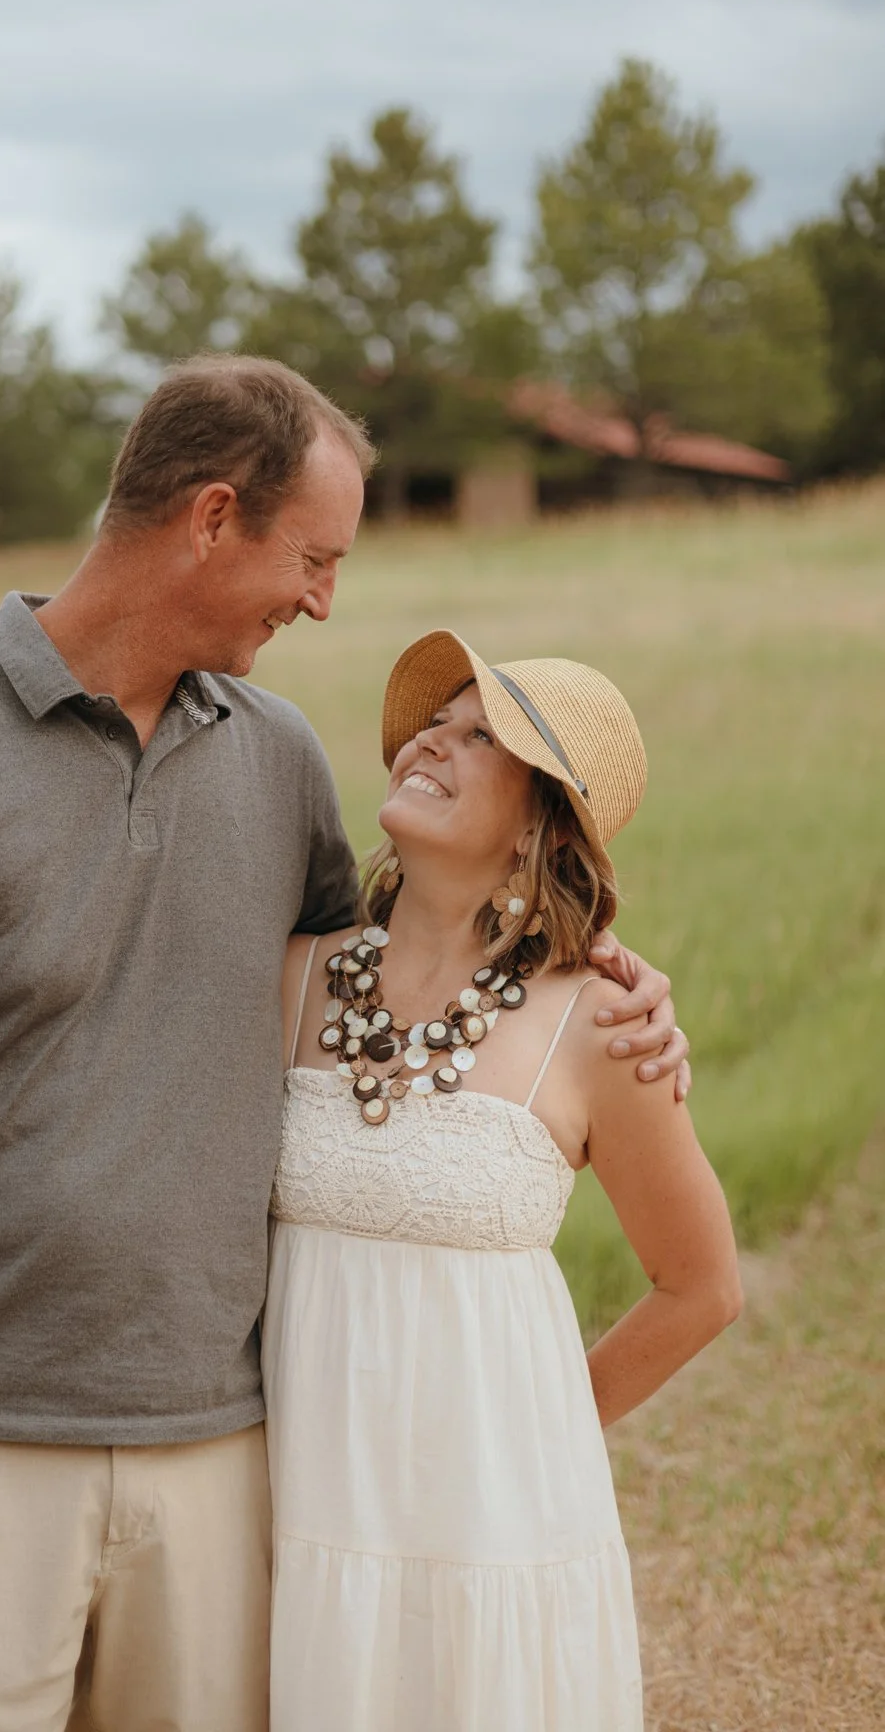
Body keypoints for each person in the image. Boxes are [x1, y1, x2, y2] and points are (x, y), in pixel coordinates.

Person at [0, 354, 688, 1732]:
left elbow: (394, 976)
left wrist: (599, 964)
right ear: (208, 518)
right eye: (312, 557)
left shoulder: (277, 758)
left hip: (227, 1448)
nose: (323, 600)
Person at [265, 631, 740, 1730]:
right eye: (441, 720)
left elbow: (701, 1285)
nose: (433, 738)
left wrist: (545, 1431)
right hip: (303, 1504)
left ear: (539, 817)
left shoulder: (602, 1023)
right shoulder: (293, 978)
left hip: (497, 1527)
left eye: (485, 737)